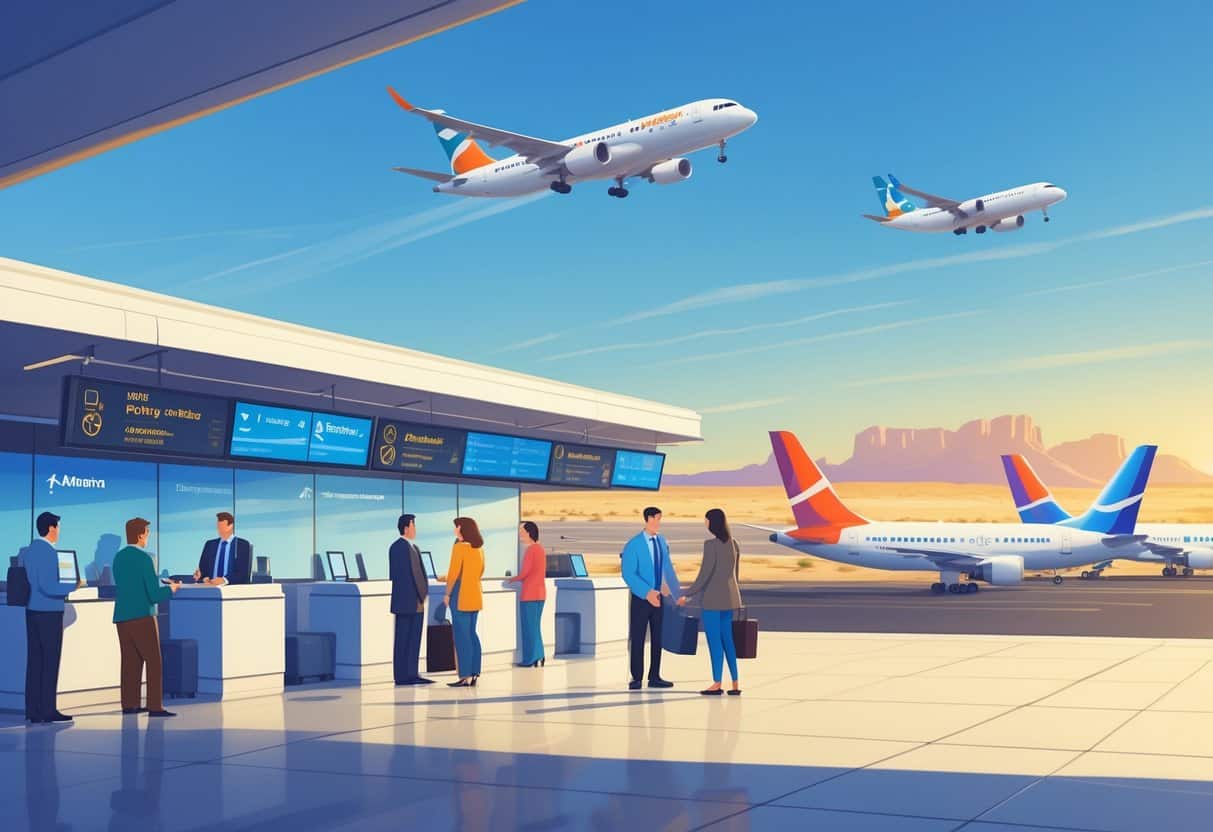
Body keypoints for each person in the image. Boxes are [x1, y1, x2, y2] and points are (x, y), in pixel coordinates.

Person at [112, 517, 180, 716]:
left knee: (130, 661)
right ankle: (155, 706)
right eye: (147, 533)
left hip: (122, 617)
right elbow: (153, 594)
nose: (148, 537)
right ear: (141, 535)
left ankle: (130, 704)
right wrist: (172, 589)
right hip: (143, 616)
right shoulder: (144, 559)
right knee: (153, 661)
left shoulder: (118, 557)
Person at [678, 508, 743, 696]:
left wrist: (687, 595)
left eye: (706, 520)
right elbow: (735, 575)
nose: (705, 523)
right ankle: (735, 683)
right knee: (728, 641)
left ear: (712, 523)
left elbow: (704, 575)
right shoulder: (734, 544)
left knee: (715, 643)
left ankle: (716, 683)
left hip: (713, 601)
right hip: (730, 599)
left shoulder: (710, 545)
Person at [24, 512, 81, 724]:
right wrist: (72, 586)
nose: (59, 531)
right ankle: (48, 710)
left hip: (32, 610)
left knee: (35, 661)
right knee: (50, 662)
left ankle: (33, 710)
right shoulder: (48, 551)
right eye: (58, 527)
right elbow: (48, 586)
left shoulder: (29, 550)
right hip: (49, 612)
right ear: (51, 528)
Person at [620, 506, 681, 690]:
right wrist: (647, 592)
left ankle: (654, 676)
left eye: (659, 519)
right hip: (641, 598)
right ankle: (637, 677)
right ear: (646, 519)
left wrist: (675, 592)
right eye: (654, 519)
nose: (657, 523)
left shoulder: (661, 541)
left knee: (657, 638)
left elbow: (667, 568)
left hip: (659, 598)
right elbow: (628, 573)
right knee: (638, 637)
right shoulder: (633, 544)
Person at [390, 513, 433, 685]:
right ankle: (402, 676)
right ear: (406, 527)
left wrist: (423, 594)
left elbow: (419, 573)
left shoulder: (414, 547)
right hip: (406, 602)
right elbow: (404, 576)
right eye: (413, 525)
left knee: (414, 640)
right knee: (403, 640)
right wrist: (421, 593)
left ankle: (412, 673)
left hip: (417, 602)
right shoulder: (397, 547)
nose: (415, 529)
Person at [444, 517, 484, 687]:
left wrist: (447, 594)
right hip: (475, 594)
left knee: (462, 637)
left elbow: (453, 573)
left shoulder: (459, 547)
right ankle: (475, 672)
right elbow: (480, 571)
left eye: (456, 527)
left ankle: (464, 676)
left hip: (460, 596)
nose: (455, 530)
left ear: (461, 528)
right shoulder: (479, 549)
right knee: (472, 634)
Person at [508, 521, 546, 668]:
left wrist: (512, 579)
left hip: (529, 594)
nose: (520, 534)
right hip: (540, 594)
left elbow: (525, 572)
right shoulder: (540, 549)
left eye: (522, 531)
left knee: (529, 628)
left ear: (529, 533)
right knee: (535, 627)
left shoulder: (531, 550)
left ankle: (530, 659)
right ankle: (539, 655)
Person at [194, 512, 251, 585]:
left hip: (232, 588)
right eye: (218, 526)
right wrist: (202, 577)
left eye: (222, 526)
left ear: (230, 525)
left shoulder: (242, 545)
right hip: (211, 588)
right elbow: (202, 570)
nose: (219, 529)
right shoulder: (210, 545)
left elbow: (243, 573)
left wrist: (224, 580)